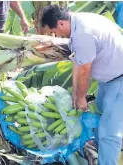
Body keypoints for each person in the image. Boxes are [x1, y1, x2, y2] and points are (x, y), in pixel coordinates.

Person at [40, 5, 123, 165]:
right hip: (109, 78)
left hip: (119, 80)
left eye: (53, 31)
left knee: (110, 131)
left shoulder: (83, 34)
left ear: (61, 24)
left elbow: (85, 70)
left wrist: (82, 97)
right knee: (100, 115)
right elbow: (78, 63)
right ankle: (98, 147)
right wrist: (75, 94)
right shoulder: (80, 21)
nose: (55, 35)